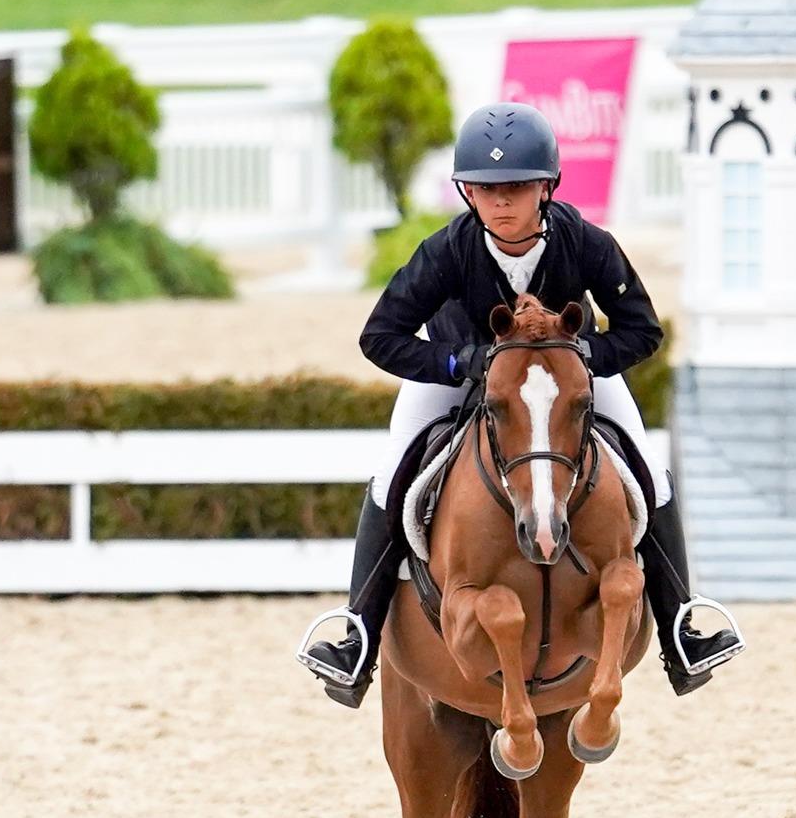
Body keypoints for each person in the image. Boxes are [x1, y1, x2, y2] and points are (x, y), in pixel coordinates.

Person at [298, 100, 744, 708]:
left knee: (646, 469)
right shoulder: (446, 251)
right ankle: (358, 638)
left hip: (563, 380)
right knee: (393, 475)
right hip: (459, 374)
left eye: (515, 187)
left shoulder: (587, 242)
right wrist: (460, 363)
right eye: (485, 189)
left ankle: (680, 628)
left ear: (546, 187)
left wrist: (578, 361)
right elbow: (380, 337)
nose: (500, 202)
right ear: (467, 193)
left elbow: (642, 330)